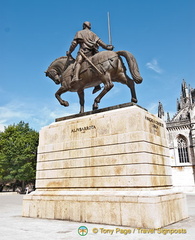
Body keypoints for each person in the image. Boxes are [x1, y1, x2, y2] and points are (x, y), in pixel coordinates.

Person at [66, 21, 114, 90]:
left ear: (84, 25)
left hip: (84, 53)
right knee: (96, 66)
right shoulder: (93, 34)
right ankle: (97, 85)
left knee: (78, 62)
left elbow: (74, 44)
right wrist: (108, 47)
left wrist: (70, 52)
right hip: (93, 54)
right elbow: (101, 43)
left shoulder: (79, 33)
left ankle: (75, 77)